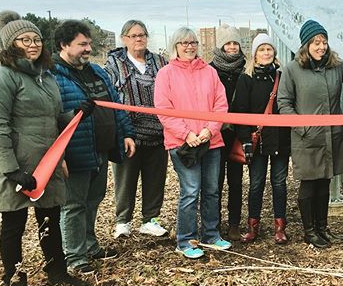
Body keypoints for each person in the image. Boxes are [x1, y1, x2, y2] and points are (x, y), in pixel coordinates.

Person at [0, 11, 87, 286]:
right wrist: (11, 170)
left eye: (37, 39)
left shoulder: (44, 77)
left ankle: (57, 270)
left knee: (50, 219)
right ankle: (14, 281)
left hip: (46, 162)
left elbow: (52, 120)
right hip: (16, 166)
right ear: (9, 44)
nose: (32, 44)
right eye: (24, 39)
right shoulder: (1, 78)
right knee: (14, 225)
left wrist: (76, 114)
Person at [277, 19, 343, 248]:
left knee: (324, 183)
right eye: (316, 42)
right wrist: (302, 127)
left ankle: (322, 227)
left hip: (331, 136)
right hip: (307, 138)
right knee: (309, 186)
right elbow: (284, 103)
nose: (321, 47)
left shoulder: (336, 65)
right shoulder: (292, 69)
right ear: (306, 45)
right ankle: (309, 231)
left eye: (324, 42)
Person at [53, 20, 136, 275]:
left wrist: (125, 133)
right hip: (75, 150)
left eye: (89, 43)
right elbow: (52, 118)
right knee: (74, 204)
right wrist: (60, 156)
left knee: (93, 200)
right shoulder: (54, 77)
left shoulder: (97, 72)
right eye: (82, 44)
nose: (88, 49)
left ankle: (90, 245)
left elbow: (115, 104)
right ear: (64, 45)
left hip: (100, 148)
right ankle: (75, 256)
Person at [154, 27, 231, 259]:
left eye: (193, 42)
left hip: (211, 141)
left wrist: (210, 129)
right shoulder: (166, 74)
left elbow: (221, 104)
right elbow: (164, 110)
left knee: (212, 190)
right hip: (182, 144)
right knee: (190, 191)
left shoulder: (210, 72)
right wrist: (186, 134)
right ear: (175, 46)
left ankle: (211, 234)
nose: (189, 46)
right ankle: (185, 240)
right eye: (184, 42)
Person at [104, 20, 169, 239]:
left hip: (157, 132)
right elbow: (109, 95)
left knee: (155, 178)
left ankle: (150, 219)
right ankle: (123, 221)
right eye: (133, 36)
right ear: (124, 39)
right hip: (127, 132)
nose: (138, 39)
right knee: (125, 179)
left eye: (142, 35)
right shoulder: (114, 64)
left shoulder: (160, 62)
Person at [231, 33, 291, 244]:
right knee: (256, 183)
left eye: (269, 49)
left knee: (279, 183)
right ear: (254, 54)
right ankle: (253, 226)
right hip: (256, 140)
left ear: (274, 52)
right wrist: (245, 138)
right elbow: (240, 111)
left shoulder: (282, 77)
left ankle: (280, 227)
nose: (266, 53)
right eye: (261, 49)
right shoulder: (246, 78)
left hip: (280, 139)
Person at [209, 24, 245, 241]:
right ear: (220, 46)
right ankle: (213, 223)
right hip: (216, 133)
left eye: (235, 43)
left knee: (236, 180)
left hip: (238, 134)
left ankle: (234, 224)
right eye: (228, 43)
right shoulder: (210, 70)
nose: (232, 47)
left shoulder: (245, 69)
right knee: (214, 182)